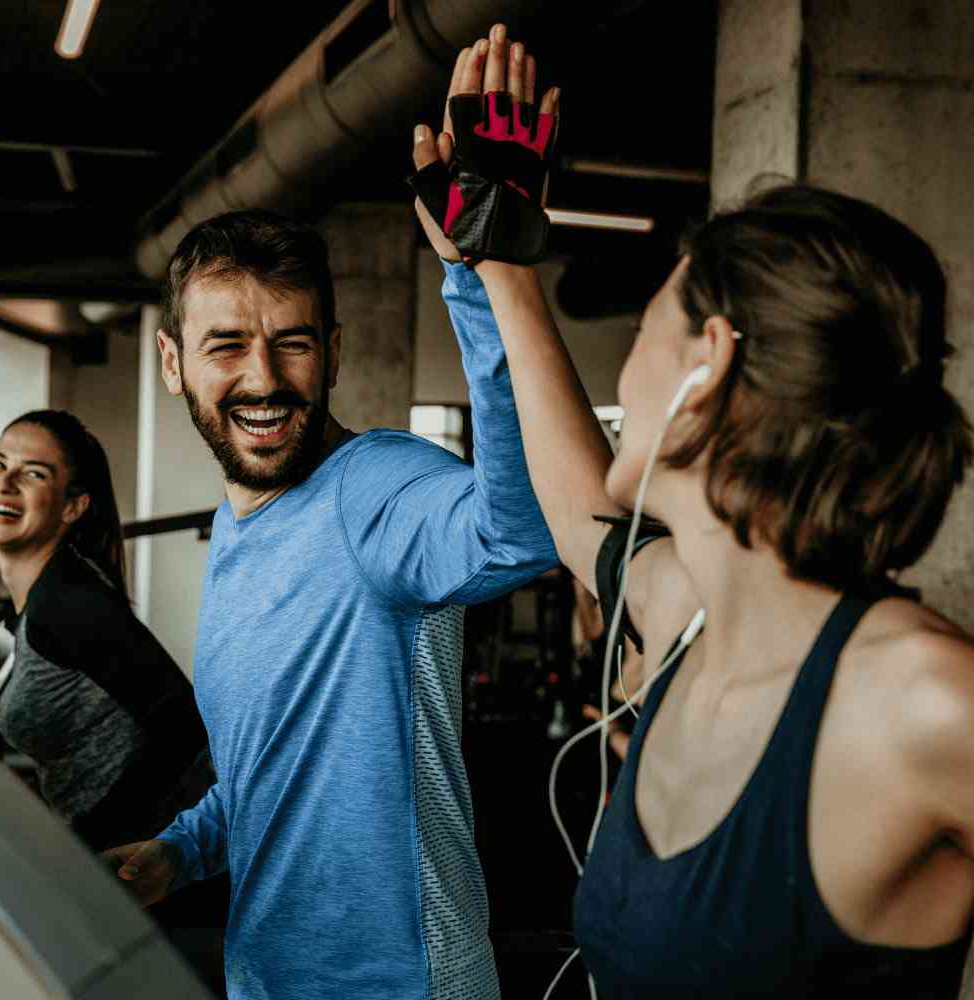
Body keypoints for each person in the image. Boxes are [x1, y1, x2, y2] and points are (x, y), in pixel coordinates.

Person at [409, 25, 974, 997]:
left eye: (642, 333)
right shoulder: (687, 617)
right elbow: (585, 518)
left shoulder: (922, 699)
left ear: (705, 363)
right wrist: (499, 269)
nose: (625, 368)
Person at [102, 79, 558, 999]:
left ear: (336, 353)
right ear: (172, 364)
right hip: (264, 978)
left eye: (294, 343)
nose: (263, 378)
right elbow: (270, 775)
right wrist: (178, 853)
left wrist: (482, 280)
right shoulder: (239, 534)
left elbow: (523, 535)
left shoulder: (377, 486)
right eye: (226, 345)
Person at [0, 410, 208, 850]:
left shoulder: (65, 602)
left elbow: (182, 726)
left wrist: (96, 840)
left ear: (72, 506)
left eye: (34, 473)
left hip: (150, 867)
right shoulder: (44, 598)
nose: (4, 483)